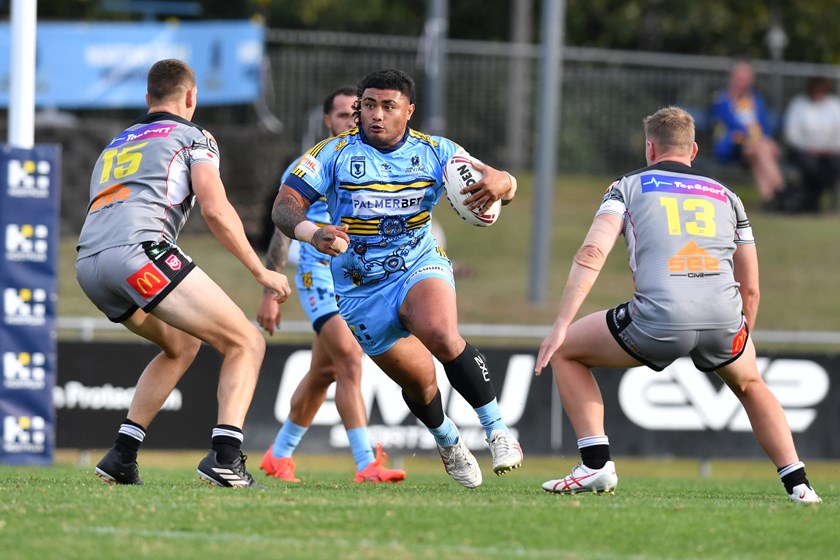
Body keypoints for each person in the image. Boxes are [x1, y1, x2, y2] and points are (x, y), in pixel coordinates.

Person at [534, 106, 821, 504]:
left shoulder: (627, 186)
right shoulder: (728, 196)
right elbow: (750, 286)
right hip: (723, 315)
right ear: (694, 150)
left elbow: (592, 252)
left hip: (661, 316)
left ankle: (595, 465)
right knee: (752, 384)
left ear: (650, 149)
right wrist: (739, 342)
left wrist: (561, 323)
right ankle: (800, 486)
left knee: (567, 351)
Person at [270, 68, 523, 489]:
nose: (377, 115)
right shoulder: (331, 154)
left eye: (388, 106)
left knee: (441, 333)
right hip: (357, 290)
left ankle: (497, 430)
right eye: (369, 105)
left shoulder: (437, 151)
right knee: (419, 380)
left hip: (417, 264)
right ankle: (448, 441)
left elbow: (494, 185)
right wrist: (313, 233)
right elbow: (284, 205)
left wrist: (505, 182)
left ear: (409, 110)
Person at [76, 59, 292, 488]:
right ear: (191, 97)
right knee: (245, 341)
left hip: (89, 265)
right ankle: (226, 457)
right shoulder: (194, 136)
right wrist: (259, 271)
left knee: (181, 345)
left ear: (147, 99)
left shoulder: (116, 143)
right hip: (139, 254)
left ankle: (122, 454)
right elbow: (214, 208)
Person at [257, 87, 406, 483]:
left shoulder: (377, 159)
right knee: (350, 360)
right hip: (318, 272)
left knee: (323, 373)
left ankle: (279, 454)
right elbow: (283, 227)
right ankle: (365, 463)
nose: (352, 120)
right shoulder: (313, 163)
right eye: (343, 115)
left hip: (359, 277)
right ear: (327, 120)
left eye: (357, 113)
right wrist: (272, 292)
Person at [709, 61, 789, 210]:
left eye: (746, 79)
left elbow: (764, 126)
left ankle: (770, 200)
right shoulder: (722, 99)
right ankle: (782, 190)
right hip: (731, 146)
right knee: (761, 148)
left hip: (752, 148)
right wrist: (762, 140)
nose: (743, 83)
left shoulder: (756, 100)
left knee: (758, 156)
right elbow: (733, 126)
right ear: (732, 78)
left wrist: (766, 140)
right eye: (740, 78)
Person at [783, 75, 840, 213]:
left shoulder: (834, 105)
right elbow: (792, 134)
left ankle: (813, 199)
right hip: (804, 151)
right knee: (810, 166)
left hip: (830, 153)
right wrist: (808, 147)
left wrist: (830, 148)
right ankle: (812, 201)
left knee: (833, 166)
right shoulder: (799, 104)